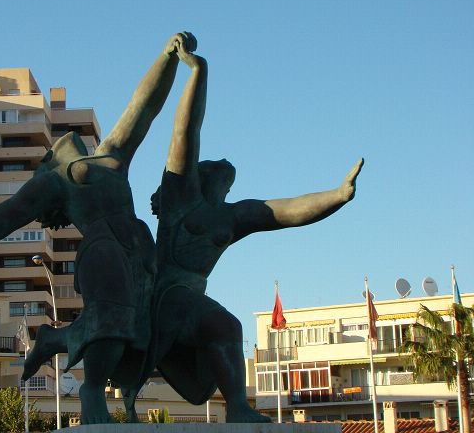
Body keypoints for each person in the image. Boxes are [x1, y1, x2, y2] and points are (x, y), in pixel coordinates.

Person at [0, 33, 194, 424]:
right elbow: (5, 215)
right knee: (111, 321)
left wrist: (167, 57)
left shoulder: (110, 155)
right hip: (103, 249)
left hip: (137, 248)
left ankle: (55, 340)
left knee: (145, 327)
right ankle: (92, 392)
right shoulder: (55, 182)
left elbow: (143, 108)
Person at [120, 40, 364, 422]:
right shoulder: (181, 196)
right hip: (167, 293)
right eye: (216, 169)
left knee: (223, 330)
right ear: (201, 176)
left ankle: (236, 406)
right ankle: (237, 406)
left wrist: (337, 195)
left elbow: (289, 210)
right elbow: (186, 131)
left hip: (191, 293)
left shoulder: (233, 217)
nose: (224, 173)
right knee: (227, 325)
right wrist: (198, 72)